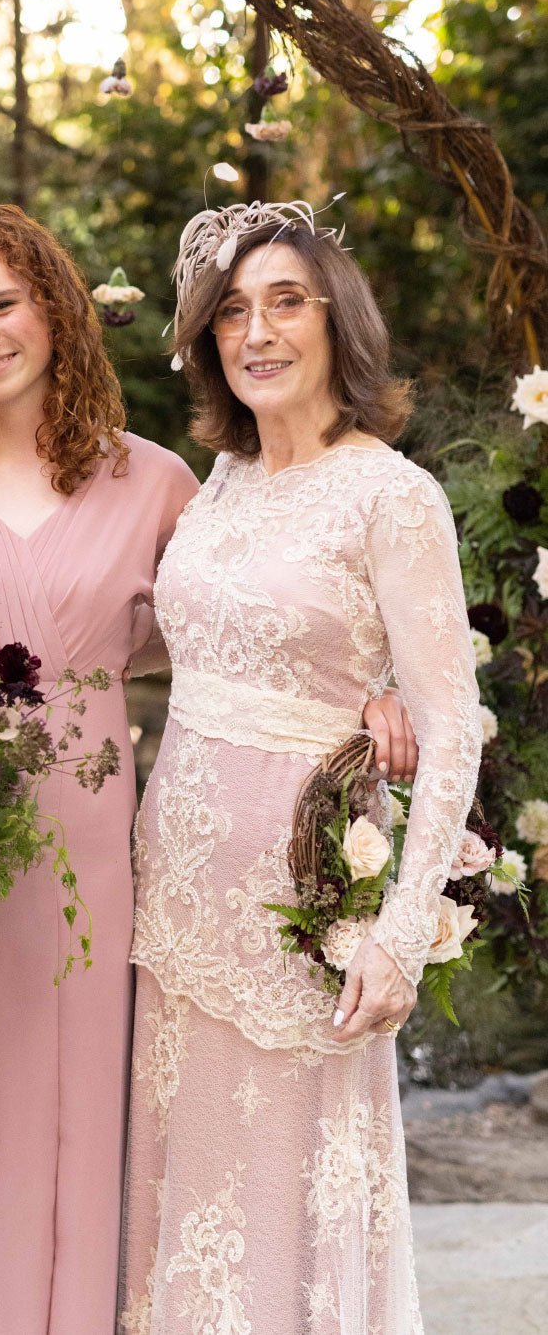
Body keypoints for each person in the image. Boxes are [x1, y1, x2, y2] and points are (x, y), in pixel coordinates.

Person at [0, 203, 418, 1335]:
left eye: (3, 304)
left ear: (56, 311)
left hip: (94, 838)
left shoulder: (166, 481)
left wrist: (371, 686)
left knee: (85, 1108)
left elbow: (244, 624)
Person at [120, 202, 482, 1334]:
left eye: (286, 301)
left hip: (300, 902)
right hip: (170, 895)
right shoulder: (219, 478)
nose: (258, 330)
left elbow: (453, 723)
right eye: (232, 310)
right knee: (179, 1182)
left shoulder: (392, 494)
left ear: (338, 322)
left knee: (281, 1186)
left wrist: (401, 928)